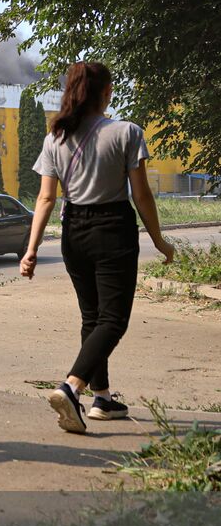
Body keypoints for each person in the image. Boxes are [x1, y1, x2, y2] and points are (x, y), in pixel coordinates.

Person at [19, 62, 174, 430]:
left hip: (74, 230)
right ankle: (71, 387)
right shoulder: (126, 132)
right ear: (105, 93)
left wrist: (31, 248)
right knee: (113, 320)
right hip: (112, 229)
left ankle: (101, 398)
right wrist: (159, 241)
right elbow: (141, 194)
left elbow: (45, 200)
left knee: (93, 317)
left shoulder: (54, 138)